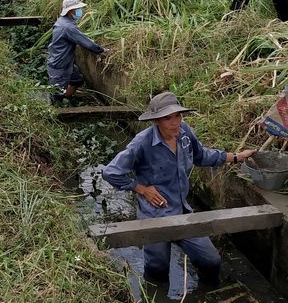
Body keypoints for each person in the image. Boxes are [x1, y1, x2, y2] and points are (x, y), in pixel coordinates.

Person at [103, 92, 257, 284]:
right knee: (157, 271)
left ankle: (204, 301)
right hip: (154, 216)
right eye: (168, 118)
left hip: (183, 212)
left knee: (211, 261)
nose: (174, 122)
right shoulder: (142, 143)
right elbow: (111, 172)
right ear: (156, 120)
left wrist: (236, 156)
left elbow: (201, 155)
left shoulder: (184, 132)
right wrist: (142, 189)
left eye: (177, 115)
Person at [47, 0, 106, 103]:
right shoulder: (68, 27)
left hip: (64, 62)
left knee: (77, 79)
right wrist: (102, 50)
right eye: (77, 9)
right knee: (56, 95)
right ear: (71, 11)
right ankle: (58, 110)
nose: (80, 11)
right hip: (60, 66)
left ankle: (66, 99)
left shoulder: (62, 21)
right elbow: (87, 44)